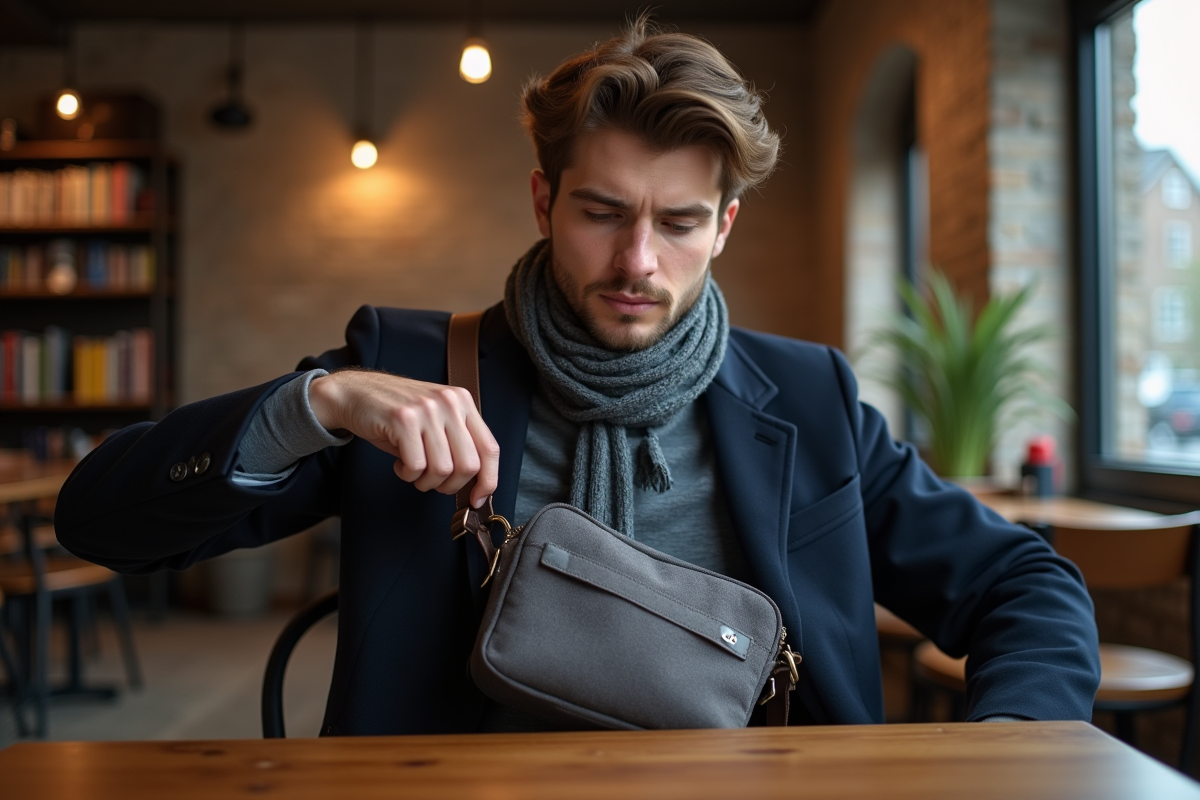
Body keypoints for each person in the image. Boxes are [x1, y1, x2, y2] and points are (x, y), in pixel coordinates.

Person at [55, 19, 1100, 735]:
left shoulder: (810, 398)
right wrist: (313, 404)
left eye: (680, 222)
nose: (638, 260)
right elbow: (96, 519)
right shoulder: (411, 366)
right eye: (602, 211)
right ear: (543, 199)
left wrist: (1002, 744)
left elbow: (1026, 584)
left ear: (723, 226)